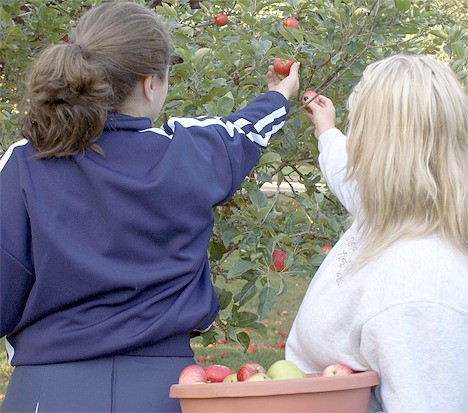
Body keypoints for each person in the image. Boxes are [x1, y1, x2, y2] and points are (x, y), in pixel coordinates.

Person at [0, 1, 299, 412]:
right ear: (149, 84)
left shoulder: (25, 162)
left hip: (47, 391)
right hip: (165, 391)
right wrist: (279, 94)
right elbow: (244, 131)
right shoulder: (190, 154)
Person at [286, 54, 468, 413]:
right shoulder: (389, 212)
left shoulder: (421, 292)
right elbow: (343, 170)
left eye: (359, 126)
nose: (352, 139)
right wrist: (327, 128)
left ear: (380, 149)